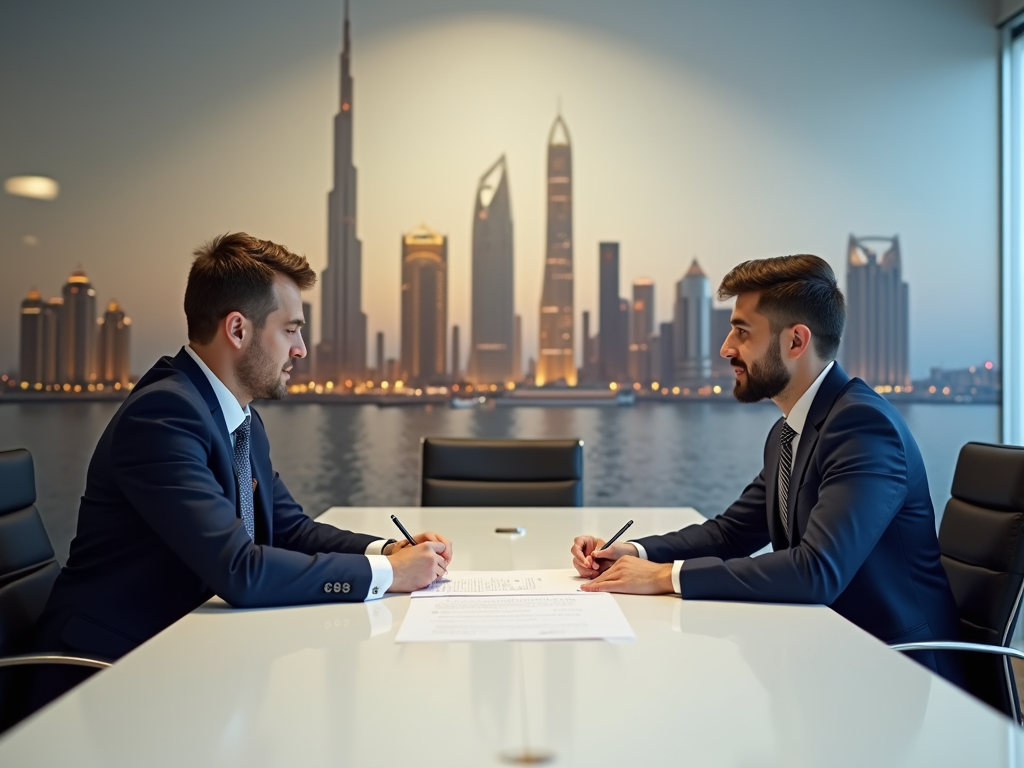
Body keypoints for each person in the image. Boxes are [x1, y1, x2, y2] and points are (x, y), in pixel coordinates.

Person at [31, 233, 452, 707]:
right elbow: (240, 570)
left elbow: (289, 530)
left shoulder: (237, 417)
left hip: (186, 659)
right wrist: (388, 574)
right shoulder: (164, 418)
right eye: (291, 329)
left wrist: (391, 549)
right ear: (238, 329)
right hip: (105, 678)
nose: (301, 350)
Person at [570, 254, 962, 682]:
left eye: (742, 331)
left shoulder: (863, 428)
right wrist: (634, 553)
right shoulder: (789, 432)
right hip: (827, 657)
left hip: (900, 676)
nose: (726, 348)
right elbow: (732, 533)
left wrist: (665, 576)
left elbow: (817, 572)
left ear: (796, 342)